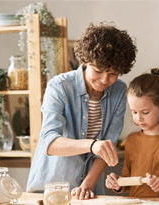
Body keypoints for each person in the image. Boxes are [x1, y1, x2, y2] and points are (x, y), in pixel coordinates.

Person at [26, 22, 137, 200]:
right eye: (98, 70)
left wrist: (86, 185)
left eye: (113, 73)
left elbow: (108, 147)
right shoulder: (59, 86)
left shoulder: (119, 91)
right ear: (84, 61)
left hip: (90, 191)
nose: (104, 79)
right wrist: (92, 145)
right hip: (50, 189)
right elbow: (49, 142)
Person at [105, 66, 159, 198]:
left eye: (145, 112)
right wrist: (118, 183)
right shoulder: (131, 140)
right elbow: (127, 178)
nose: (138, 118)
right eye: (134, 112)